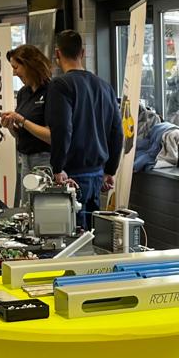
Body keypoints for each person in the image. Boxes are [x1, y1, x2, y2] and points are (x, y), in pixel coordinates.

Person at [46, 30, 123, 228]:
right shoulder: (105, 87)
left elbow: (62, 129)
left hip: (72, 175)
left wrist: (57, 167)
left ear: (57, 54)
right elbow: (117, 132)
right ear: (82, 52)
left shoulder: (60, 85)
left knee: (73, 235)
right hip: (97, 174)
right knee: (93, 234)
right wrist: (110, 170)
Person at [0, 44, 55, 201]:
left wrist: (21, 120)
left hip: (44, 160)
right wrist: (11, 126)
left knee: (42, 205)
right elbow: (20, 134)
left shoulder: (51, 91)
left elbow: (51, 136)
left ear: (30, 65)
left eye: (16, 67)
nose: (14, 73)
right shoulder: (24, 93)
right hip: (25, 158)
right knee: (26, 205)